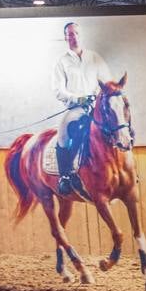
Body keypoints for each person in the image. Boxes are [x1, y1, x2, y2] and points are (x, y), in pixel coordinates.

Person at [51, 21, 112, 196]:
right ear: (65, 37)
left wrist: (102, 97)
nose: (74, 37)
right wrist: (78, 98)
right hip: (76, 108)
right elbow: (58, 90)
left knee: (120, 124)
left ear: (80, 35)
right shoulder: (61, 62)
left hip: (97, 107)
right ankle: (65, 176)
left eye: (76, 33)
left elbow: (107, 80)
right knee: (63, 131)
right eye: (70, 34)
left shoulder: (94, 57)